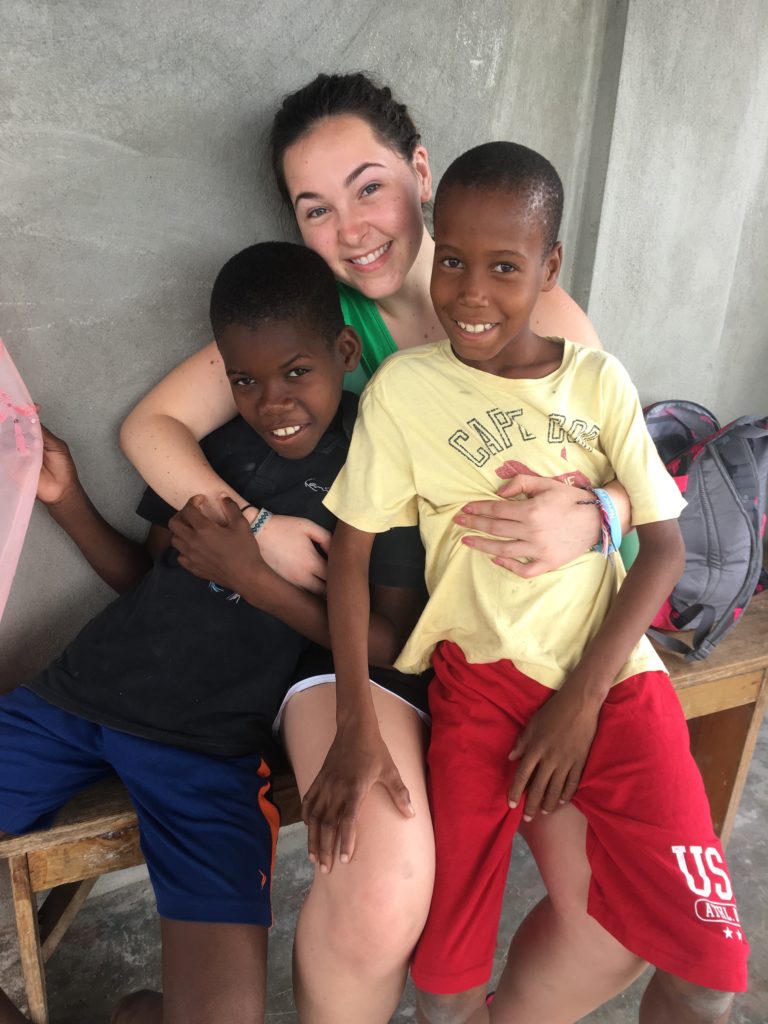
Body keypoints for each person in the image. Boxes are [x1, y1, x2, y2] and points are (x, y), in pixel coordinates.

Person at [120, 73, 645, 1024]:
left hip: (531, 639)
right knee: (381, 886)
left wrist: (597, 513)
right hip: (379, 644)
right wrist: (256, 527)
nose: (352, 229)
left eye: (369, 188)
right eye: (316, 208)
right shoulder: (323, 323)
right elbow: (150, 428)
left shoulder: (539, 314)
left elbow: (639, 482)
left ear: (421, 172)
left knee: (617, 913)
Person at [317, 141, 749, 1024]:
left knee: (706, 976)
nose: (471, 292)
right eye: (453, 261)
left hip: (614, 682)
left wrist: (581, 701)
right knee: (444, 995)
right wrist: (355, 724)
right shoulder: (405, 391)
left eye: (505, 267)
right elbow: (350, 554)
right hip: (478, 686)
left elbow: (662, 547)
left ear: (549, 268)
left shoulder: (597, 381)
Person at [0, 242, 430, 1024]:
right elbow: (147, 578)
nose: (272, 402)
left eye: (295, 372)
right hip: (75, 701)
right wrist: (69, 503)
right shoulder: (216, 451)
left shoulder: (378, 465)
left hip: (206, 752)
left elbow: (389, 643)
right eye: (245, 380)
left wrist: (256, 580)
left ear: (344, 351)